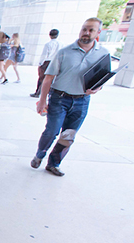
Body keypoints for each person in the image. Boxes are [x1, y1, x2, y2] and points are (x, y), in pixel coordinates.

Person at [32, 18, 108, 177]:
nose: (86, 33)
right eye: (84, 29)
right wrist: (42, 101)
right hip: (60, 98)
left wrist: (97, 88)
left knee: (68, 135)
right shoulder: (64, 52)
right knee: (52, 131)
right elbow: (48, 78)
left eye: (91, 30)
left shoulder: (103, 54)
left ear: (98, 33)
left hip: (82, 101)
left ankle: (54, 164)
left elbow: (102, 79)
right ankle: (40, 154)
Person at [31, 29, 61, 98]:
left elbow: (44, 55)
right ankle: (50, 93)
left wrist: (40, 63)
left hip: (48, 62)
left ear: (50, 35)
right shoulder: (61, 44)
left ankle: (38, 92)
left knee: (42, 78)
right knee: (52, 79)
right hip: (56, 62)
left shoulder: (48, 44)